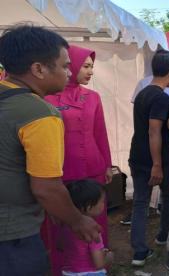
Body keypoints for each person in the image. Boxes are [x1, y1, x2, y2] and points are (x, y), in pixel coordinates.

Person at [0, 24, 100, 276]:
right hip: (13, 237)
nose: (69, 72)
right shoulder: (40, 113)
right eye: (65, 65)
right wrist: (78, 221)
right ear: (38, 69)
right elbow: (46, 188)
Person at [44, 45, 112, 275]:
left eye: (92, 67)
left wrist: (107, 164)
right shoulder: (47, 96)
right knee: (62, 224)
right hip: (62, 171)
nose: (91, 71)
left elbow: (100, 132)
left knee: (95, 218)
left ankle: (96, 264)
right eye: (86, 66)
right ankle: (64, 267)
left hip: (92, 168)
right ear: (70, 65)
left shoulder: (93, 97)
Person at [129, 49, 169, 266]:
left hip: (137, 156)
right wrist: (157, 165)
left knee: (140, 202)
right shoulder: (161, 98)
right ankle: (162, 237)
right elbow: (154, 131)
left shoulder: (142, 93)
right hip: (158, 161)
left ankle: (139, 251)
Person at [62, 179, 114, 276]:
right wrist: (109, 256)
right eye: (102, 201)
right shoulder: (92, 231)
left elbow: (60, 246)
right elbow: (99, 263)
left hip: (69, 272)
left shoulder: (66, 225)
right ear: (89, 206)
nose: (104, 204)